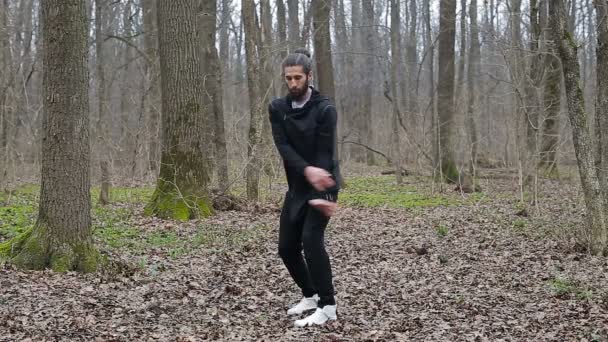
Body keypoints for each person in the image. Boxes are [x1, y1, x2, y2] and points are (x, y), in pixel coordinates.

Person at [268, 49, 341, 327]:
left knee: (311, 241)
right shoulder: (278, 109)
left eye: (298, 77)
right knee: (287, 248)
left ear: (309, 77)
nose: (293, 83)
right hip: (298, 185)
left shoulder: (325, 109)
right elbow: (283, 147)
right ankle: (309, 295)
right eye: (288, 78)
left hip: (324, 183)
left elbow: (326, 154)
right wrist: (306, 171)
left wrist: (323, 190)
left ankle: (328, 305)